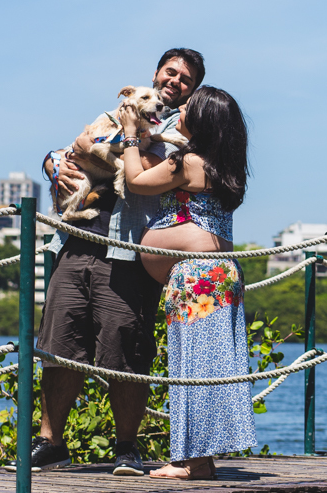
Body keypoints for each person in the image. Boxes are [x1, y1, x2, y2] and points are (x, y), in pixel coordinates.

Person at [7, 48, 205, 477]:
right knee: (59, 346)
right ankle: (51, 444)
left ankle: (126, 448)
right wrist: (53, 161)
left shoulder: (184, 127)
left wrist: (106, 142)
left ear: (193, 90)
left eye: (185, 79)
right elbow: (73, 147)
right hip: (76, 240)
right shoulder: (124, 107)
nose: (174, 82)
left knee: (127, 349)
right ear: (155, 74)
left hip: (130, 250)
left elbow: (151, 166)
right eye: (169, 72)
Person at [118, 85, 255, 480]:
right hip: (218, 276)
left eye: (187, 108)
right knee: (209, 365)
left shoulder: (191, 161)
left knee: (194, 366)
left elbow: (136, 181)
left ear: (203, 120)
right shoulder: (224, 165)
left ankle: (192, 463)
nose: (178, 110)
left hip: (198, 278)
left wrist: (130, 134)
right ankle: (200, 460)